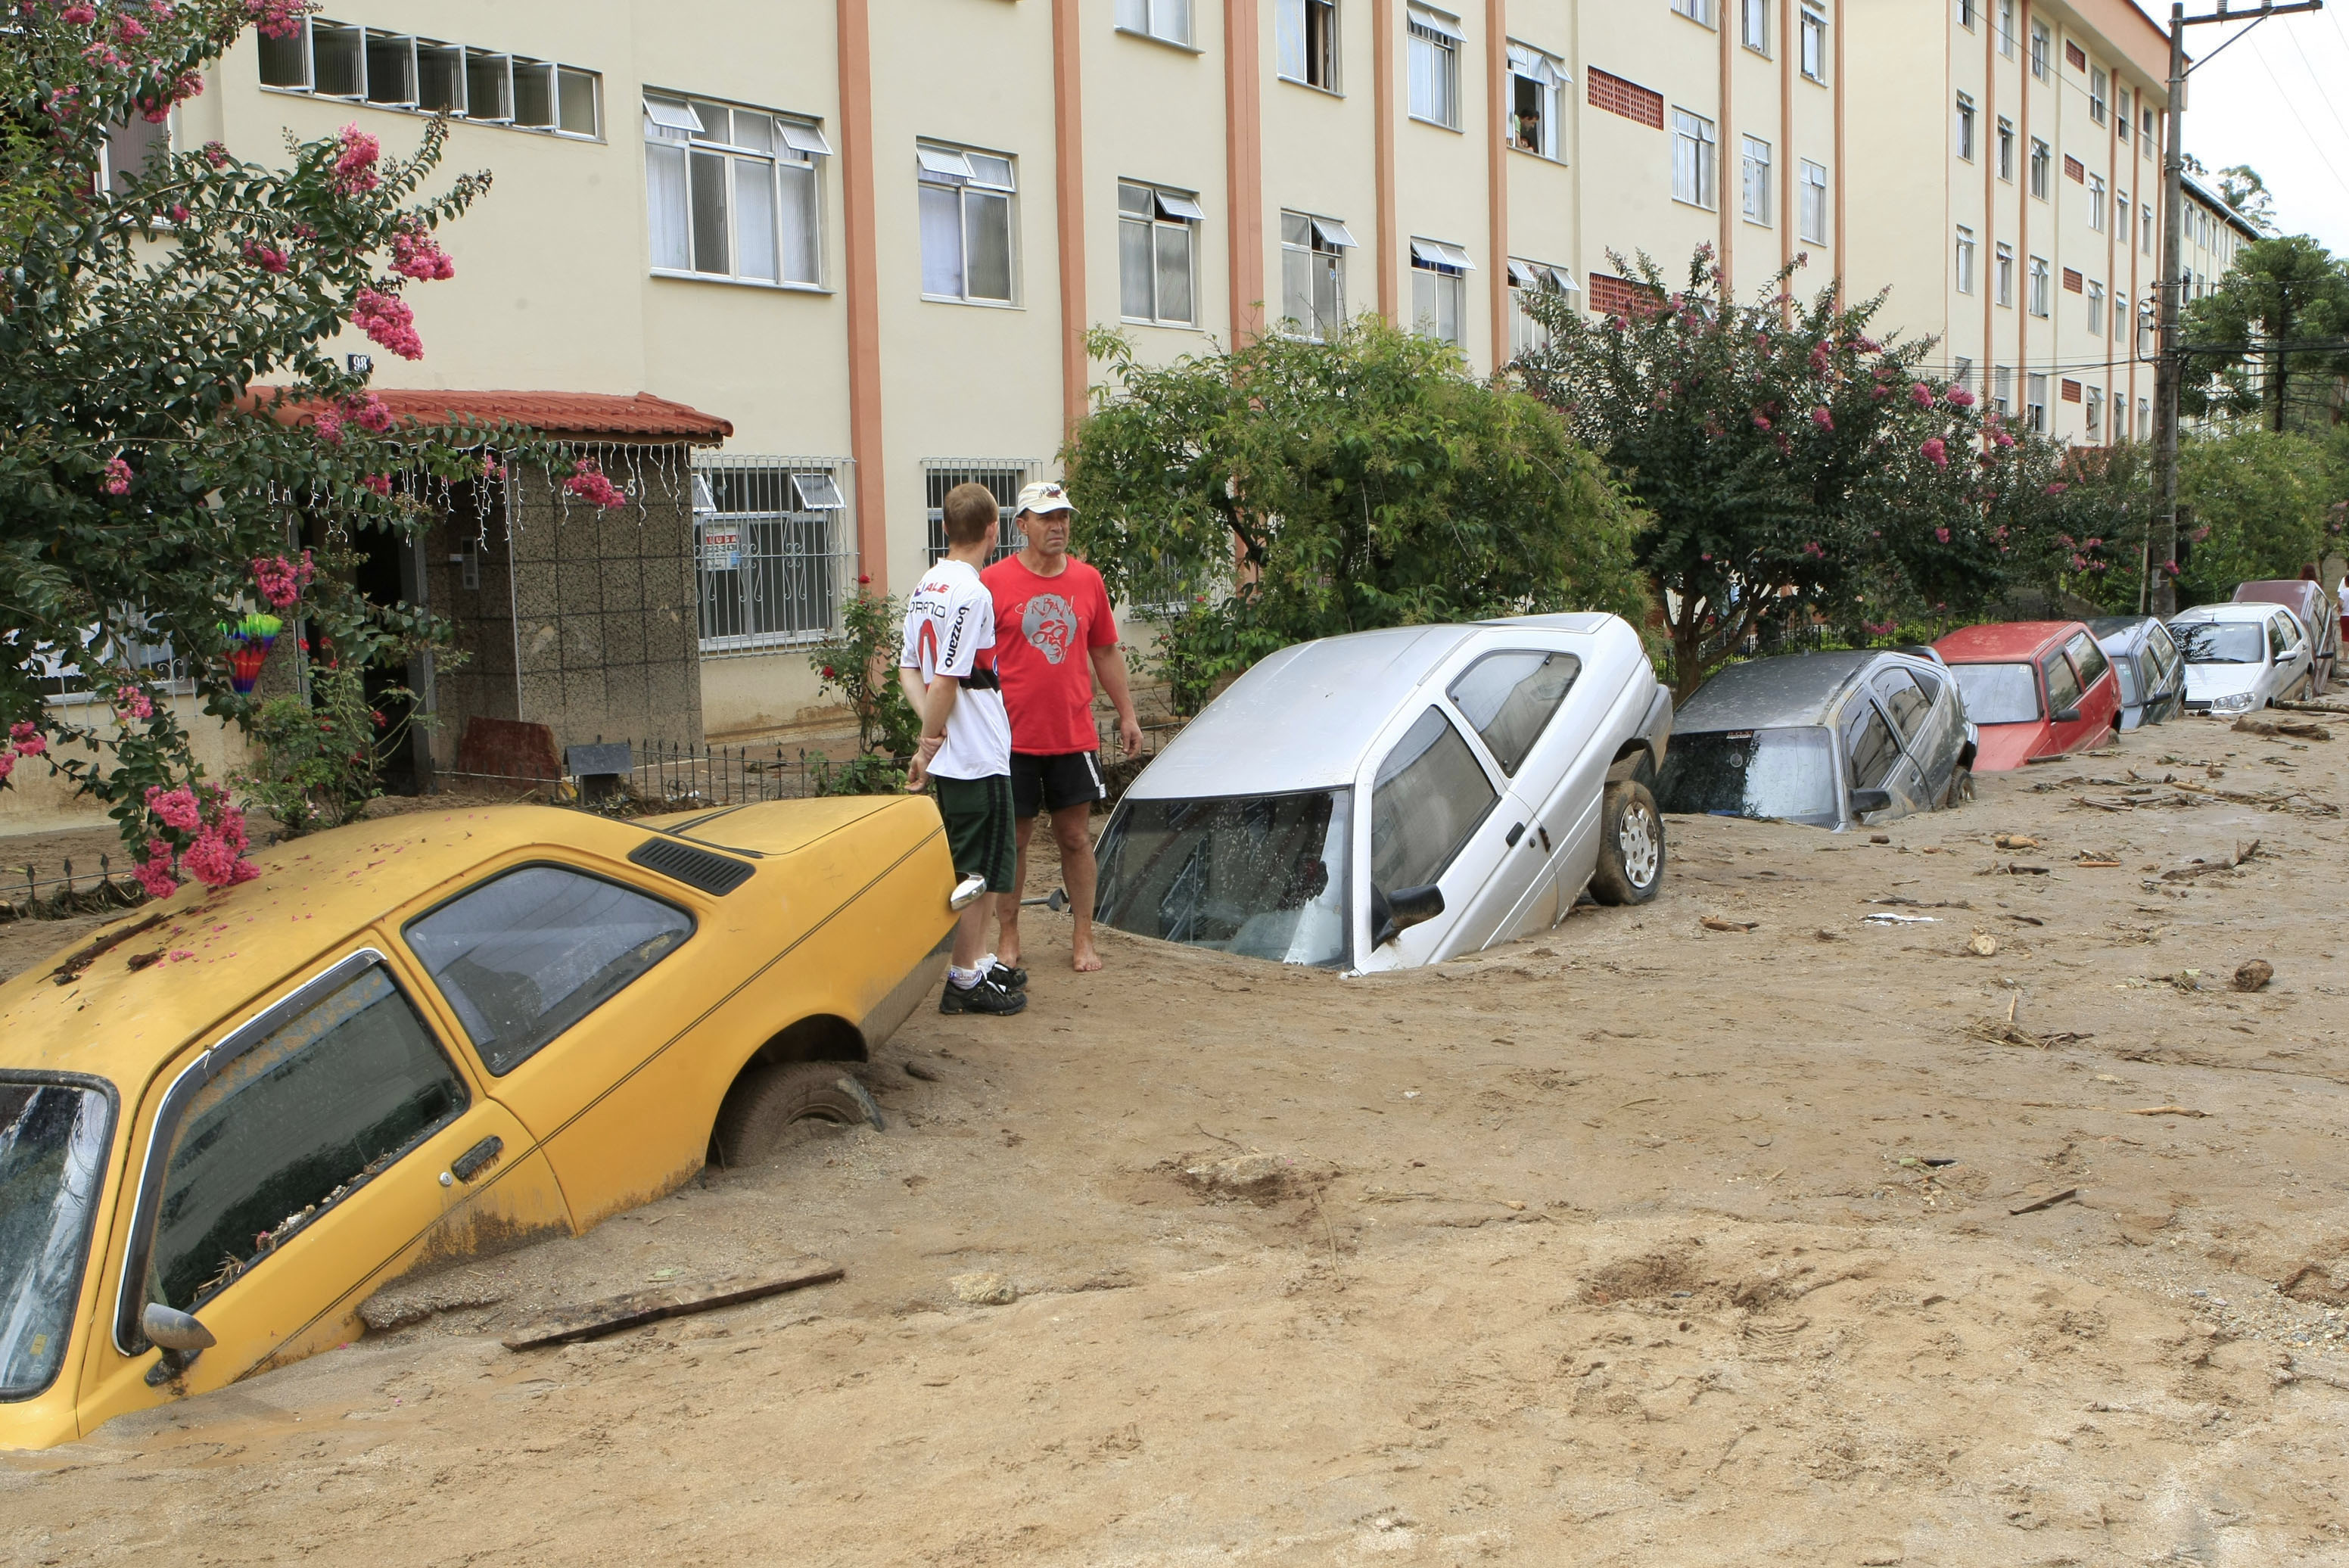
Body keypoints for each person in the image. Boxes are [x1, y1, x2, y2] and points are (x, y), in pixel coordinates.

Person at [983, 480, 1143, 974]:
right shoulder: (992, 583)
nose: (1058, 526)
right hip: (1011, 736)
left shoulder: (1088, 580)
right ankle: (1008, 936)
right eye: (1047, 518)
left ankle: (1083, 937)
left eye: (1063, 517)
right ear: (1022, 524)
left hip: (1073, 734)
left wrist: (1128, 712)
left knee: (1075, 836)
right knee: (1017, 838)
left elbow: (1104, 650)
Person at [900, 481, 1026, 1016]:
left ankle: (971, 967)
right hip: (976, 753)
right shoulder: (973, 593)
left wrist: (928, 734)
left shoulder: (928, 583)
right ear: (993, 530)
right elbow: (948, 680)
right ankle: (965, 976)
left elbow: (910, 668)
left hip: (958, 751)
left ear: (945, 528)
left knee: (969, 864)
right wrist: (928, 746)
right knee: (981, 869)